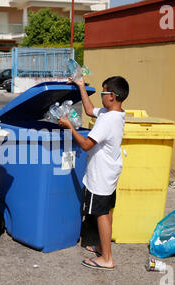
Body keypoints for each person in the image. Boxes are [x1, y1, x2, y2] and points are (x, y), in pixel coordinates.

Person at [58, 75, 129, 270]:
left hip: (100, 175)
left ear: (112, 96)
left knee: (101, 214)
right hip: (110, 172)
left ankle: (106, 258)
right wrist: (81, 85)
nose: (101, 96)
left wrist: (70, 127)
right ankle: (101, 247)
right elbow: (90, 111)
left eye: (103, 92)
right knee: (106, 211)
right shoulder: (115, 113)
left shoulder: (107, 121)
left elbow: (86, 145)